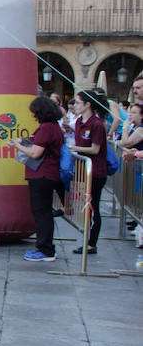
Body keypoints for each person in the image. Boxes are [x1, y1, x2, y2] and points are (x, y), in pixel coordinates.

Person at [9, 97, 64, 262]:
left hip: (42, 175)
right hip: (45, 174)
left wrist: (17, 146)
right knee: (43, 212)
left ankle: (45, 249)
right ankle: (45, 248)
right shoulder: (53, 127)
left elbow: (35, 153)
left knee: (42, 213)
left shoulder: (46, 128)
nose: (32, 115)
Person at [68, 90, 109, 255]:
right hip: (83, 171)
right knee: (87, 206)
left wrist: (73, 148)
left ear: (87, 104)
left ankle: (92, 244)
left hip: (96, 171)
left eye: (77, 102)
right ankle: (87, 240)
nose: (74, 105)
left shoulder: (97, 124)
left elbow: (95, 149)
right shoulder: (79, 122)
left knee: (93, 208)